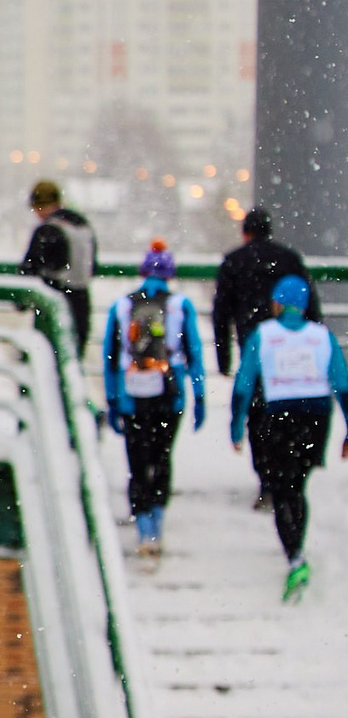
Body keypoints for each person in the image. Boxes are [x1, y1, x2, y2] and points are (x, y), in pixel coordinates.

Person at [229, 274, 348, 602]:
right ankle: (298, 549)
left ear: (278, 304)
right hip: (316, 417)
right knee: (299, 486)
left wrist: (236, 425)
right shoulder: (322, 336)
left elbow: (244, 385)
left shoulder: (264, 335)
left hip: (279, 415)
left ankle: (294, 556)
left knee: (281, 488)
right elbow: (343, 384)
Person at [103, 241, 208, 567]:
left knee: (137, 460)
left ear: (143, 271)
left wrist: (112, 399)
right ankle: (157, 526)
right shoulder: (181, 306)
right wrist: (200, 396)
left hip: (132, 394)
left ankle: (143, 526)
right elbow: (195, 354)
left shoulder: (121, 306)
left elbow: (110, 356)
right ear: (171, 274)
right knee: (162, 457)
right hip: (169, 392)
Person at [215, 208, 328, 508]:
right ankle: (288, 475)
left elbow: (221, 313)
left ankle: (267, 478)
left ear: (246, 231)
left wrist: (222, 356)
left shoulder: (233, 262)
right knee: (288, 411)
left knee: (259, 413)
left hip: (255, 350)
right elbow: (311, 306)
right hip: (292, 351)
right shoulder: (290, 260)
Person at [18, 179, 98, 359]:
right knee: (72, 359)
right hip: (81, 301)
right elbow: (92, 266)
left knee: (44, 360)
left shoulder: (48, 230)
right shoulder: (82, 225)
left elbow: (30, 267)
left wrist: (21, 302)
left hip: (56, 302)